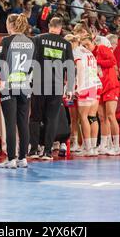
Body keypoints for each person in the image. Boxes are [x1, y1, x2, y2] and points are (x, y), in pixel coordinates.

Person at [28, 17, 75, 160]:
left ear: (49, 26)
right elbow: (70, 67)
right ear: (60, 28)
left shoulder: (37, 39)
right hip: (57, 85)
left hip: (38, 83)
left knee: (35, 117)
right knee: (51, 118)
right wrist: (70, 88)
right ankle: (48, 151)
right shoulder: (66, 44)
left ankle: (33, 150)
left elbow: (30, 61)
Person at [0, 14, 35, 169]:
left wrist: (2, 81)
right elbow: (33, 65)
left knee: (10, 123)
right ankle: (23, 158)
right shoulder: (31, 41)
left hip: (9, 85)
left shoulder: (6, 40)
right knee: (23, 123)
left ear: (10, 25)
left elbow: (1, 63)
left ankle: (11, 159)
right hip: (25, 86)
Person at [86, 34, 120, 156]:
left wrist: (97, 61)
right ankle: (104, 145)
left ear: (93, 43)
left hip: (110, 85)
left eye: (87, 45)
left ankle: (117, 147)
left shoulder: (101, 48)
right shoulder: (88, 55)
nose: (86, 47)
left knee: (111, 116)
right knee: (102, 117)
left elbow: (112, 61)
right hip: (101, 87)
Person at [71, 33, 103, 156]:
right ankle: (93, 148)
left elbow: (79, 67)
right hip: (95, 84)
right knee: (92, 117)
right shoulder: (89, 53)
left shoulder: (77, 51)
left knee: (83, 117)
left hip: (86, 85)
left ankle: (88, 148)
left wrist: (78, 87)